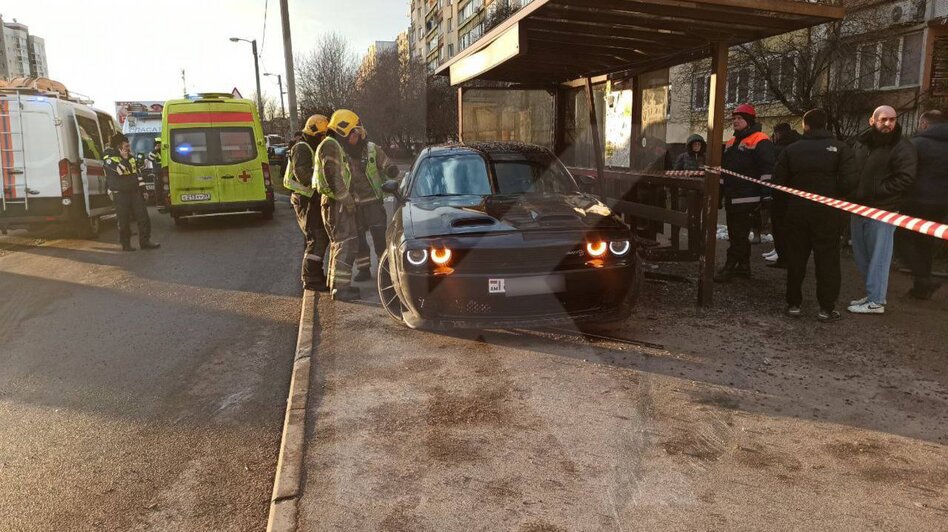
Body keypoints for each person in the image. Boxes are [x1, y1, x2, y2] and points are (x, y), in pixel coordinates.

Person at [774, 109, 858, 322]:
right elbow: (850, 182)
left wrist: (786, 209)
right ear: (826, 124)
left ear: (805, 125)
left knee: (796, 258)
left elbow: (778, 183)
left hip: (797, 212)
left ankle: (794, 304)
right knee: (828, 261)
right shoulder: (841, 149)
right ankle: (826, 308)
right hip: (828, 214)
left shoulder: (791, 150)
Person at [847, 105, 917, 314]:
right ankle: (873, 294)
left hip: (884, 210)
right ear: (872, 121)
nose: (888, 124)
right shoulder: (861, 143)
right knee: (862, 254)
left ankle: (876, 300)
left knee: (879, 256)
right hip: (858, 207)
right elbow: (853, 169)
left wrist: (875, 189)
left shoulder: (902, 146)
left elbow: (906, 177)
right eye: (883, 119)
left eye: (892, 119)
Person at [714, 103, 776, 282]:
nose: (735, 121)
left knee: (738, 235)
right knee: (736, 233)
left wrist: (766, 195)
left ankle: (730, 266)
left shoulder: (760, 140)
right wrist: (719, 194)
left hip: (749, 197)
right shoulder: (732, 142)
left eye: (739, 118)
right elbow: (724, 171)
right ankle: (743, 267)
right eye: (733, 119)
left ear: (748, 121)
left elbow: (767, 169)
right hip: (733, 197)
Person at [312, 109, 362, 302]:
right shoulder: (331, 145)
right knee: (345, 245)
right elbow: (333, 178)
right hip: (336, 205)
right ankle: (341, 290)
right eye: (354, 132)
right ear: (343, 129)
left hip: (335, 204)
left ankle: (337, 285)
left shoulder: (333, 145)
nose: (356, 136)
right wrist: (349, 202)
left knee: (340, 245)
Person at [901, 110, 948, 299]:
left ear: (925, 124)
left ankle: (923, 278)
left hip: (916, 200)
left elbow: (906, 172)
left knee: (902, 238)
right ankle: (921, 289)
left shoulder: (916, 144)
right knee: (925, 242)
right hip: (942, 203)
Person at [286, 115, 332, 292]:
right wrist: (323, 178)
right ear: (313, 132)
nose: (323, 138)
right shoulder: (302, 148)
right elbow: (303, 175)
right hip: (305, 199)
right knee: (317, 237)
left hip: (310, 199)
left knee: (318, 237)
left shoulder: (310, 146)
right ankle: (311, 279)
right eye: (321, 135)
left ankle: (316, 275)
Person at [349, 127, 398, 282]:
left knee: (380, 237)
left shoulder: (372, 149)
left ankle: (385, 270)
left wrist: (391, 170)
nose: (354, 137)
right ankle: (363, 269)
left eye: (356, 134)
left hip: (373, 202)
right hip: (354, 204)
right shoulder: (343, 151)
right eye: (351, 135)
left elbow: (385, 162)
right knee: (359, 240)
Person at [103, 134, 160, 252]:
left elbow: (137, 174)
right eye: (126, 146)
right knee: (123, 221)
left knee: (143, 217)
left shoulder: (131, 157)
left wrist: (143, 190)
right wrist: (124, 159)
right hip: (120, 194)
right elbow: (119, 171)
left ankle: (145, 242)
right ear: (119, 147)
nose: (129, 148)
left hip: (134, 192)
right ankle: (126, 244)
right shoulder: (109, 159)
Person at [762, 123, 801, 268]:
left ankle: (782, 255)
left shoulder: (780, 149)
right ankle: (781, 252)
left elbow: (776, 171)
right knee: (787, 227)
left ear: (778, 134)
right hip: (794, 194)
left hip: (781, 194)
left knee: (780, 226)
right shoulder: (798, 144)